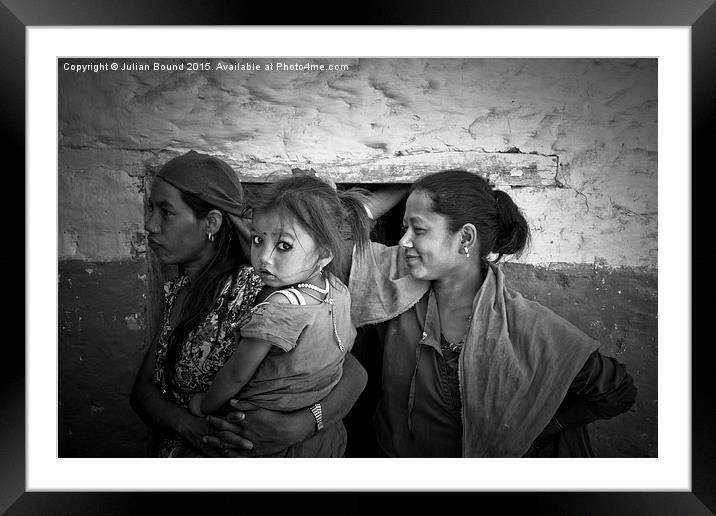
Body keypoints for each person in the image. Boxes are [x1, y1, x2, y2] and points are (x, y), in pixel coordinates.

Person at [206, 170, 637, 458]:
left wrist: (537, 427)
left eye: (419, 229)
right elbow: (330, 235)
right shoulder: (392, 295)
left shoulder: (526, 326)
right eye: (404, 227)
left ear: (465, 239)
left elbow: (617, 390)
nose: (404, 241)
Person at [130, 151, 368, 457]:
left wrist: (302, 424)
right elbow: (142, 391)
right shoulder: (180, 290)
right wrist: (186, 425)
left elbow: (351, 370)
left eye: (166, 212)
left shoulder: (261, 289)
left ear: (211, 222)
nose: (150, 225)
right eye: (151, 208)